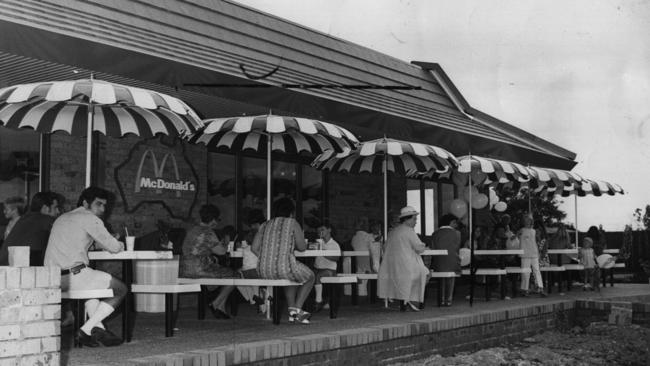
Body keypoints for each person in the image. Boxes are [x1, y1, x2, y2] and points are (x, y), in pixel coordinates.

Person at [44, 187, 126, 347]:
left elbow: (79, 242)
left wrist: (100, 243)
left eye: (104, 205)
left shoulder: (62, 218)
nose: (102, 209)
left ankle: (98, 331)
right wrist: (118, 242)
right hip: (74, 276)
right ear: (85, 203)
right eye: (98, 204)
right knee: (121, 289)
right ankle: (85, 330)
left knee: (93, 288)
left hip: (52, 279)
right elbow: (114, 247)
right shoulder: (90, 218)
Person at [252, 198, 315, 324]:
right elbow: (302, 248)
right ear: (291, 212)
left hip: (263, 269)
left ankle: (292, 312)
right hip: (284, 266)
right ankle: (297, 310)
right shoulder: (292, 223)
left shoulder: (265, 224)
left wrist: (267, 256)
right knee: (311, 277)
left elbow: (254, 248)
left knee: (290, 279)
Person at [179, 204, 236, 319]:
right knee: (234, 276)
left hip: (184, 269)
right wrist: (226, 241)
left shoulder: (192, 230)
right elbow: (221, 252)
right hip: (199, 270)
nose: (218, 223)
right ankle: (216, 304)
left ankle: (220, 308)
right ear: (213, 220)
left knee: (221, 271)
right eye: (218, 219)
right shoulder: (208, 232)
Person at [378, 206, 429, 311]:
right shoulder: (409, 231)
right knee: (427, 273)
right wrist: (425, 245)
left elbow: (385, 247)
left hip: (392, 268)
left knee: (415, 274)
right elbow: (419, 248)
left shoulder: (392, 232)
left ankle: (406, 300)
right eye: (414, 219)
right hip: (407, 266)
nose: (416, 222)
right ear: (407, 219)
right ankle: (415, 299)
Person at [1, 192, 62, 266]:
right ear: (45, 208)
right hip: (12, 272)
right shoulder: (44, 220)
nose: (58, 211)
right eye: (55, 207)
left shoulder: (26, 218)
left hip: (6, 268)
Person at [429, 214, 461, 306]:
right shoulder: (457, 233)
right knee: (451, 277)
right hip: (453, 261)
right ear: (451, 222)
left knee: (442, 277)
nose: (456, 225)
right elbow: (456, 248)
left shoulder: (435, 233)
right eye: (455, 222)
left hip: (437, 262)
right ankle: (448, 299)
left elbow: (432, 247)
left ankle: (442, 299)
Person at [313, 220, 341, 312]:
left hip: (330, 269)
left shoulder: (334, 244)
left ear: (329, 230)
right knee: (309, 275)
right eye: (318, 231)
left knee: (319, 276)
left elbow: (337, 258)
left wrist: (323, 253)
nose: (320, 232)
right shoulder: (317, 243)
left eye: (322, 230)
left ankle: (318, 300)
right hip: (317, 268)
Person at [518, 215, 546, 297]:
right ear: (524, 222)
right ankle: (524, 289)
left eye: (529, 220)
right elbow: (514, 238)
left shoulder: (534, 231)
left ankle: (540, 288)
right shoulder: (521, 230)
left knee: (537, 271)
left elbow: (538, 242)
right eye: (526, 220)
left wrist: (539, 253)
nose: (528, 222)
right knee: (525, 271)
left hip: (534, 253)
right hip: (525, 254)